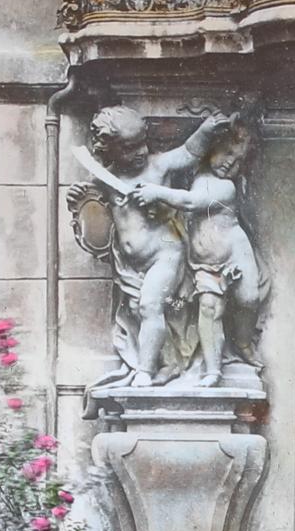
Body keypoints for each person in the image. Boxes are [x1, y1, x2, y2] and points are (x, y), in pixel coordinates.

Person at [72, 106, 231, 386]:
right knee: (141, 312)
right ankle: (165, 363)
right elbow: (91, 210)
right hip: (130, 267)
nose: (141, 152)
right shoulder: (105, 179)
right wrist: (77, 198)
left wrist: (205, 130)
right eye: (129, 148)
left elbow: (187, 152)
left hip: (165, 254)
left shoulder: (157, 166)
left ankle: (144, 371)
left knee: (149, 306)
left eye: (142, 143)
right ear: (109, 149)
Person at [130, 117, 263, 387]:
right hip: (204, 263)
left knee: (249, 299)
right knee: (209, 309)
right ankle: (213, 370)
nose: (230, 163)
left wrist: (156, 192)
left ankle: (243, 341)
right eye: (227, 152)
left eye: (238, 160)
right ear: (212, 147)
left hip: (235, 255)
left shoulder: (225, 187)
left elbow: (192, 202)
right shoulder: (199, 177)